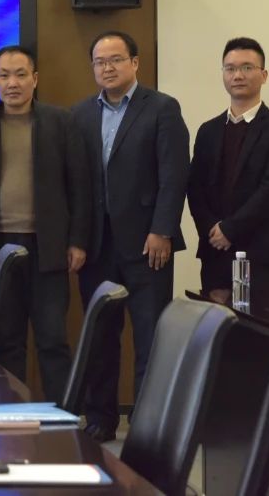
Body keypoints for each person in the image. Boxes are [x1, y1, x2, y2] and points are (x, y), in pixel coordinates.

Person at [72, 30, 189, 442]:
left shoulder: (161, 108)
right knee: (100, 337)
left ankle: (146, 424)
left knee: (149, 337)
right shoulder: (80, 114)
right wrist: (76, 238)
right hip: (97, 245)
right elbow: (77, 184)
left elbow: (174, 175)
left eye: (116, 59)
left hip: (147, 245)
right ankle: (100, 418)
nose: (107, 67)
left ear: (134, 63)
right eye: (100, 61)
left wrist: (162, 230)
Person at [0, 45, 90, 401]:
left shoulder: (61, 122)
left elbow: (80, 185)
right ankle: (13, 412)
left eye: (21, 75)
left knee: (53, 339)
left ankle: (62, 416)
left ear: (35, 79)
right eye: (4, 75)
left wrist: (77, 241)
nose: (13, 83)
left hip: (48, 246)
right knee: (7, 341)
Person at [187, 37, 269, 299]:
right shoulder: (208, 130)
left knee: (262, 324)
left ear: (264, 75)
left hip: (263, 252)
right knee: (217, 323)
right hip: (216, 250)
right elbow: (194, 187)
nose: (238, 75)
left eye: (247, 67)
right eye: (230, 68)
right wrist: (211, 229)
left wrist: (230, 229)